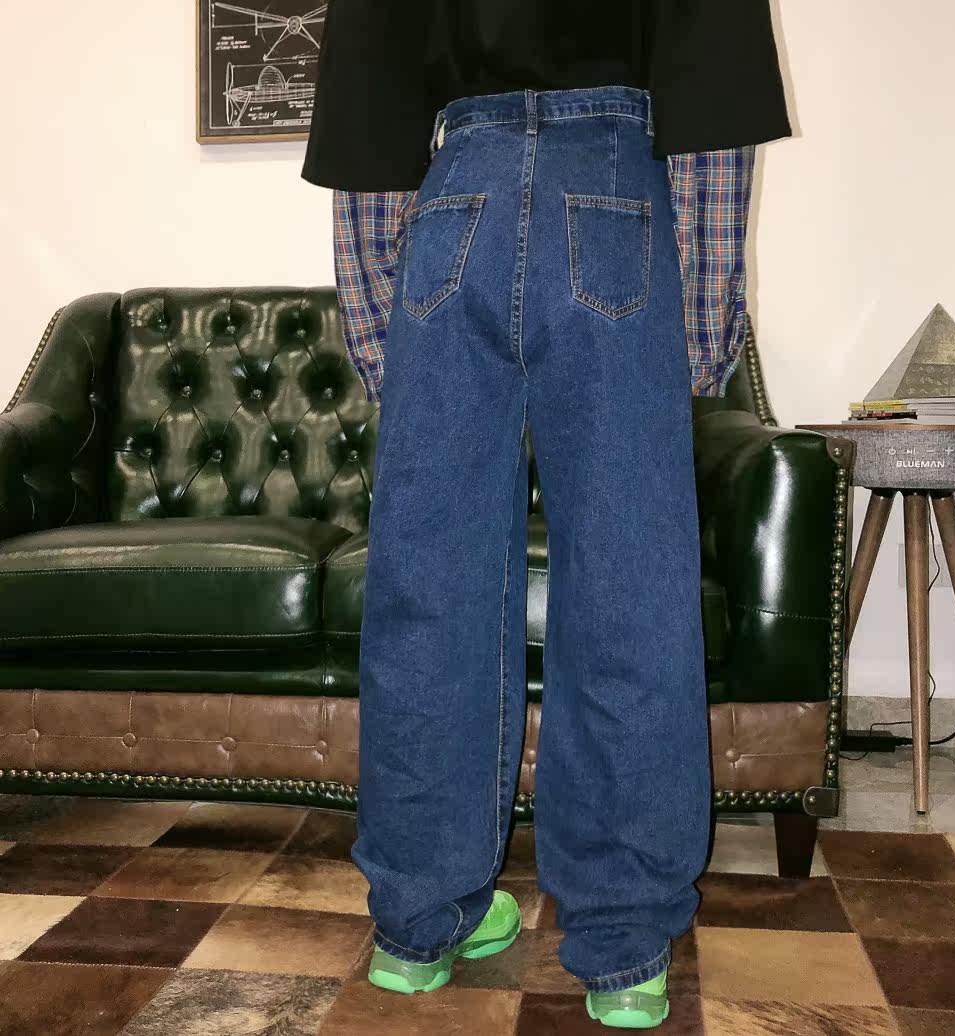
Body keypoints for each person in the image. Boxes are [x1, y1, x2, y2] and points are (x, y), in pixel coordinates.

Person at [303, 2, 789, 1028]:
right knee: (628, 593)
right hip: (613, 186)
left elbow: (367, 99)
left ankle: (416, 925)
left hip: (453, 200)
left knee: (427, 594)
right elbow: (712, 79)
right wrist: (704, 326)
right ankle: (623, 948)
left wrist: (380, 327)